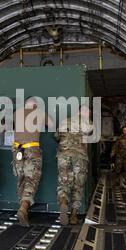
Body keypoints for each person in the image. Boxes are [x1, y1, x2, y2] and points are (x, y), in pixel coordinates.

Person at [12, 97, 54, 227]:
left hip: (16, 150)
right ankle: (24, 208)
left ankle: (23, 207)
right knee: (31, 179)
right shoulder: (39, 112)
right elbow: (52, 126)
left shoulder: (16, 113)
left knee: (21, 178)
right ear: (35, 105)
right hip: (32, 149)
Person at [55, 106, 94, 225]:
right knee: (78, 185)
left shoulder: (64, 121)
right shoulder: (88, 123)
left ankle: (63, 203)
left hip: (63, 155)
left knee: (64, 182)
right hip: (80, 156)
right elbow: (91, 133)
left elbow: (56, 136)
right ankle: (73, 216)